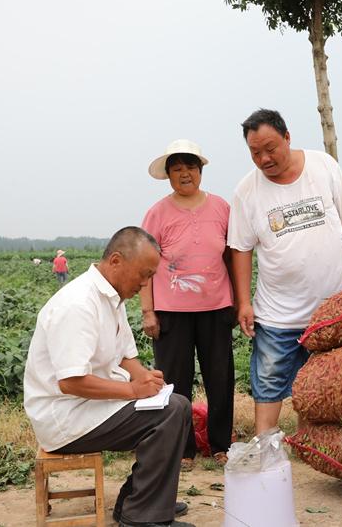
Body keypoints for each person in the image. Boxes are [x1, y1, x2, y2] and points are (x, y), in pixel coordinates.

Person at [23, 227, 193, 527]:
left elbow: (126, 356)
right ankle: (140, 515)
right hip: (65, 418)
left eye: (151, 276)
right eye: (143, 274)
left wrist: (148, 381)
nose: (145, 284)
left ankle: (140, 500)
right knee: (170, 413)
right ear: (115, 260)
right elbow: (71, 382)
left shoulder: (110, 297)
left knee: (175, 404)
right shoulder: (78, 304)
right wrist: (132, 390)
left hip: (87, 406)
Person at [227, 108, 342, 435]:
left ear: (287, 137)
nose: (264, 159)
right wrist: (244, 302)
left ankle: (313, 443)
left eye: (270, 148)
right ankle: (266, 444)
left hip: (331, 307)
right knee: (269, 379)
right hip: (278, 313)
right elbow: (241, 249)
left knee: (323, 378)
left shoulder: (323, 166)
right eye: (255, 152)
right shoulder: (246, 192)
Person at [140, 139, 235, 471]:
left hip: (216, 306)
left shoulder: (222, 207)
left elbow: (232, 257)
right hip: (171, 311)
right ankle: (183, 449)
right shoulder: (157, 213)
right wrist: (148, 311)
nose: (185, 174)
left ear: (201, 170)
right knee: (174, 383)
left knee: (220, 378)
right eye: (177, 168)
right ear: (168, 175)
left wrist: (238, 300)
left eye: (190, 167)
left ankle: (222, 444)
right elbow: (145, 266)